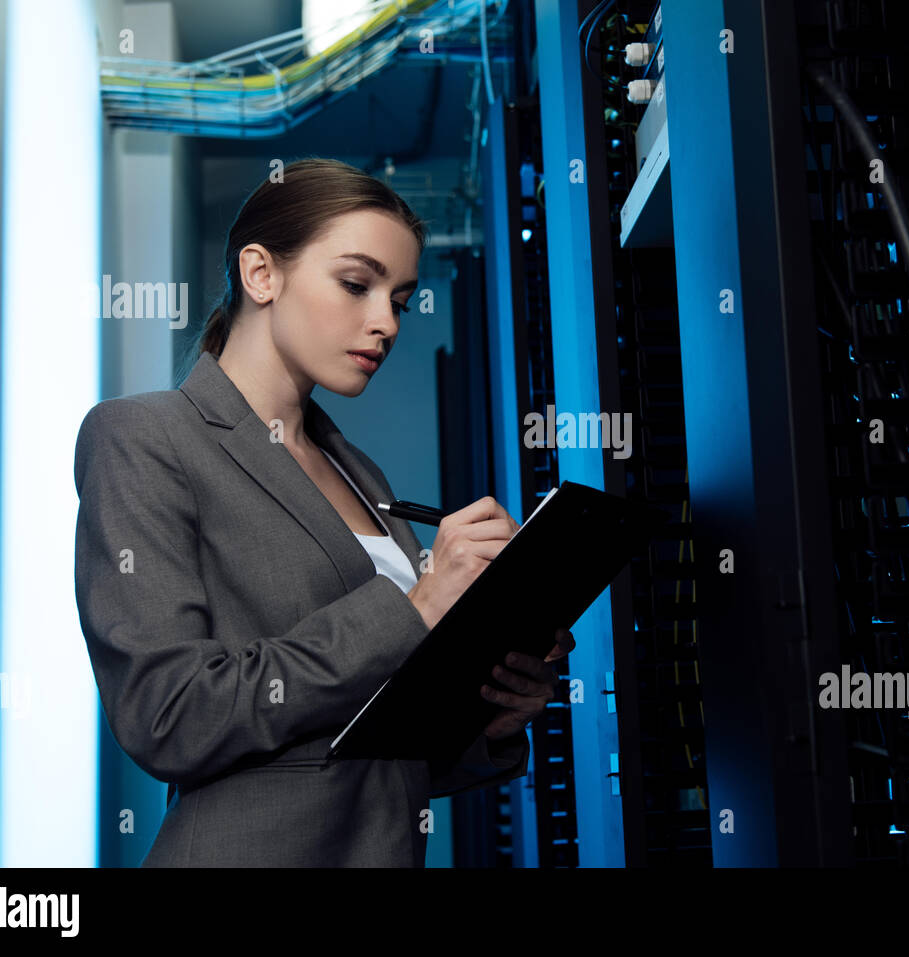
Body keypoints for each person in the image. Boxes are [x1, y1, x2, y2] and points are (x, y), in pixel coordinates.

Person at [72, 157, 573, 866]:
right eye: (356, 284)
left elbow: (360, 749)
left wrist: (487, 718)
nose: (386, 323)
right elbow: (169, 712)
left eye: (399, 299)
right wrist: (419, 605)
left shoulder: (359, 472)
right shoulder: (142, 437)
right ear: (261, 274)